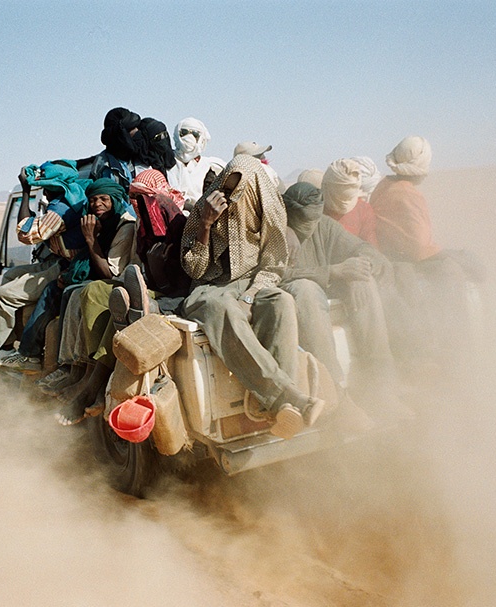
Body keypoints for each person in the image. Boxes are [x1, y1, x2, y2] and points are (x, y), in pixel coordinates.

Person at [180, 154, 323, 440]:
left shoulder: (267, 208)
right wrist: (206, 225)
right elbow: (193, 267)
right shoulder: (203, 210)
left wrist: (252, 294)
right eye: (228, 184)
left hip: (252, 284)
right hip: (210, 289)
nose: (233, 193)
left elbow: (273, 264)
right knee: (222, 308)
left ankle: (278, 409)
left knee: (281, 302)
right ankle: (288, 398)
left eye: (240, 185)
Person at [55, 169, 188, 426]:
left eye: (145, 198)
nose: (140, 205)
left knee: (125, 301)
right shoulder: (142, 225)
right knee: (93, 291)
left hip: (171, 293)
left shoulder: (177, 223)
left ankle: (95, 385)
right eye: (135, 198)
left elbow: (179, 283)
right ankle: (90, 372)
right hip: (145, 282)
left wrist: (157, 270)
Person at [280, 182, 411, 423]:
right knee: (307, 289)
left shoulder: (323, 226)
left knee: (363, 281)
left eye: (313, 219)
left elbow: (362, 249)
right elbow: (273, 275)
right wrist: (333, 271)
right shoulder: (275, 233)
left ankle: (382, 389)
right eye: (303, 221)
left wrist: (361, 267)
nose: (309, 227)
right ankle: (337, 397)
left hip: (323, 302)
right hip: (291, 306)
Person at [0, 160, 87, 382]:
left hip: (70, 267)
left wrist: (25, 193)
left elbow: (26, 235)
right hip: (62, 261)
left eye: (45, 186)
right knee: (9, 275)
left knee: (4, 295)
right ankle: (7, 345)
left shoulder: (62, 207)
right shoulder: (72, 198)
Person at [3, 179, 136, 379]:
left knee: (69, 293)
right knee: (53, 289)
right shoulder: (96, 221)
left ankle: (68, 365)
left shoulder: (123, 226)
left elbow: (110, 273)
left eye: (103, 199)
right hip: (98, 274)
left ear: (115, 200)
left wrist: (90, 239)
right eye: (93, 200)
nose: (97, 204)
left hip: (115, 282)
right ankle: (30, 354)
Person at [369, 136, 484, 363]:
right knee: (456, 269)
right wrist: (449, 255)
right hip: (406, 259)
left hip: (391, 256)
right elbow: (418, 246)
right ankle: (456, 349)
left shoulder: (384, 185)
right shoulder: (409, 193)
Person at [166, 117, 225, 210]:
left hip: (200, 217)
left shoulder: (209, 166)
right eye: (184, 133)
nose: (189, 137)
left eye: (194, 134)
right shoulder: (166, 160)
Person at [321, 158, 379, 247]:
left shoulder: (363, 209)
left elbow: (371, 250)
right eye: (339, 196)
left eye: (347, 198)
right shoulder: (314, 208)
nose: (343, 204)